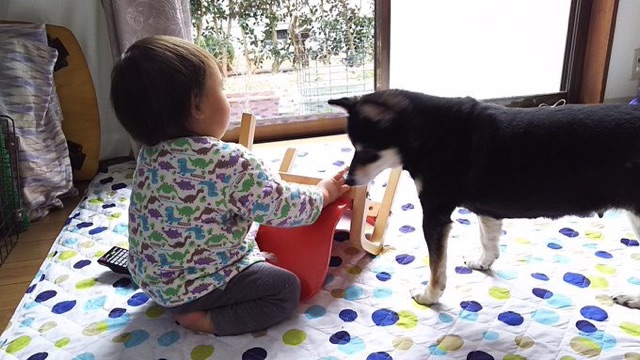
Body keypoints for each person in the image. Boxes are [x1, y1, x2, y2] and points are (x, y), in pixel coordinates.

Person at [110, 35, 349, 336]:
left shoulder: (149, 154)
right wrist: (323, 193)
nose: (226, 97)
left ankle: (180, 300)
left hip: (151, 278)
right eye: (220, 89)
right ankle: (202, 320)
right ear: (196, 105)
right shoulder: (228, 162)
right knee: (286, 289)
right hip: (194, 289)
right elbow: (282, 208)